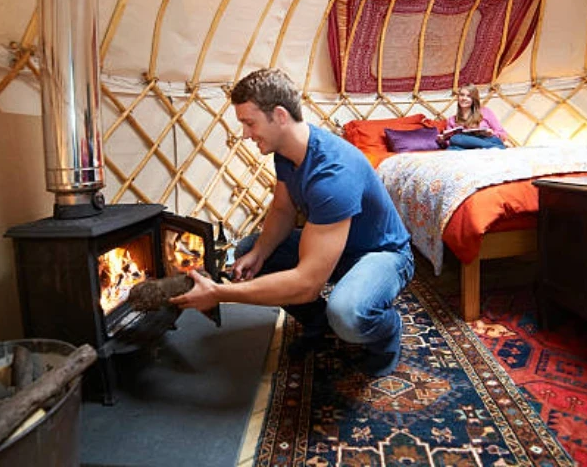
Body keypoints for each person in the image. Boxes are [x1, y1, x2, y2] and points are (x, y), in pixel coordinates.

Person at [170, 68, 415, 376]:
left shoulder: (333, 174)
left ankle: (387, 332)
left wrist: (219, 293)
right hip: (339, 248)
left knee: (347, 312)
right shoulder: (286, 152)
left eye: (249, 122)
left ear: (280, 116)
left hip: (382, 253)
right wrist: (258, 253)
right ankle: (318, 324)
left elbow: (306, 285)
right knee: (251, 248)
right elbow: (283, 210)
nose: (245, 134)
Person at [440, 84, 510, 150]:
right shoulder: (451, 120)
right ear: (458, 97)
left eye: (469, 96)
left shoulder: (485, 112)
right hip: (466, 145)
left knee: (455, 141)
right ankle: (493, 148)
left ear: (474, 99)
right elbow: (449, 142)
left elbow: (502, 133)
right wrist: (443, 140)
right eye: (462, 95)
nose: (464, 98)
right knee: (454, 142)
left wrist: (491, 133)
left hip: (487, 139)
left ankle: (490, 147)